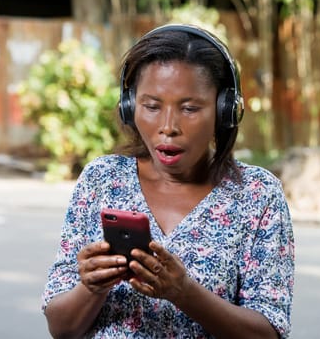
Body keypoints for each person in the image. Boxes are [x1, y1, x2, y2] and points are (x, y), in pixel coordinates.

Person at [42, 23, 295, 339]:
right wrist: (92, 288)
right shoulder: (101, 180)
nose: (168, 126)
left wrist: (183, 292)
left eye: (189, 108)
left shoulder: (258, 194)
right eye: (151, 106)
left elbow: (267, 334)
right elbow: (61, 328)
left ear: (224, 110)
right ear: (130, 107)